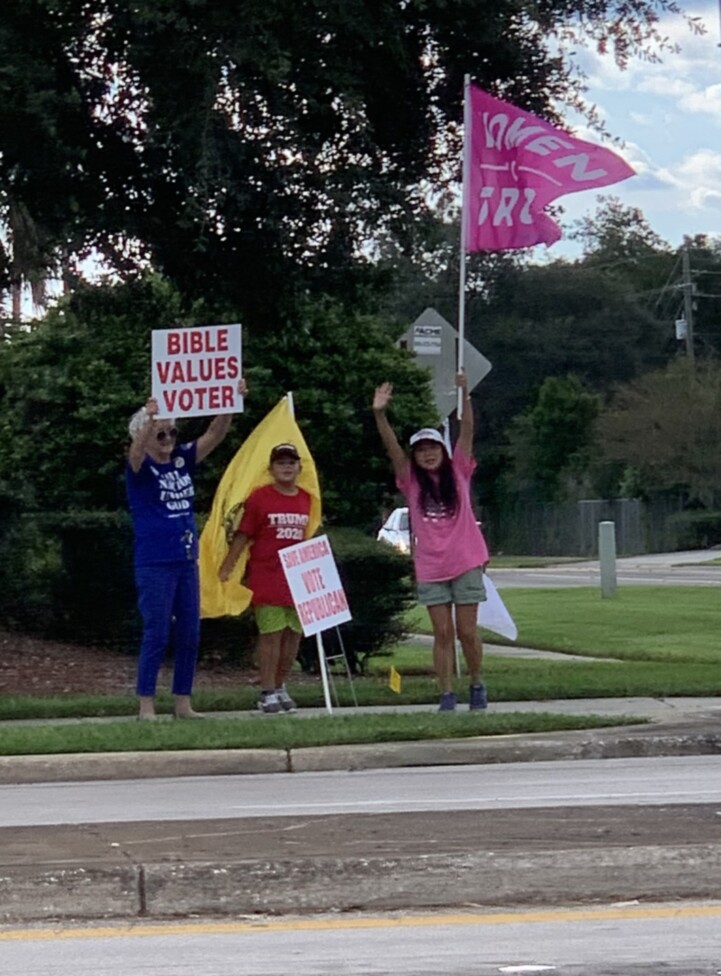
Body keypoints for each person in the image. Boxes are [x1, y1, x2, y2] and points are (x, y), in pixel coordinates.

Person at [126, 379, 247, 720]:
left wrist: (229, 402)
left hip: (186, 559)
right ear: (146, 435)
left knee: (191, 631)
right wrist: (149, 420)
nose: (168, 441)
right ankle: (146, 704)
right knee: (157, 631)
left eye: (171, 433)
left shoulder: (180, 459)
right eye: (160, 435)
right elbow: (135, 455)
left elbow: (215, 434)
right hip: (155, 561)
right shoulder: (140, 468)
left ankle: (183, 702)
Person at [372, 371, 489, 712]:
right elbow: (392, 448)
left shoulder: (459, 471)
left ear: (442, 450)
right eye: (420, 450)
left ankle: (477, 683)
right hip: (432, 566)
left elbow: (467, 430)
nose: (427, 454)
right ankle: (447, 694)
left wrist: (464, 394)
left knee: (467, 631)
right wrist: (379, 414)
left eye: (432, 448)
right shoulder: (411, 482)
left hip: (466, 560)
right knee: (442, 634)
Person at [218, 443, 312, 714]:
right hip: (267, 575)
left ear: (299, 467)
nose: (286, 467)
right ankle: (267, 690)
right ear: (270, 469)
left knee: (293, 635)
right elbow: (244, 535)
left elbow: (308, 536)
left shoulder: (306, 499)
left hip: (297, 578)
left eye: (291, 462)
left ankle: (281, 686)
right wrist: (227, 567)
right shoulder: (260, 498)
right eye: (280, 462)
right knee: (271, 635)